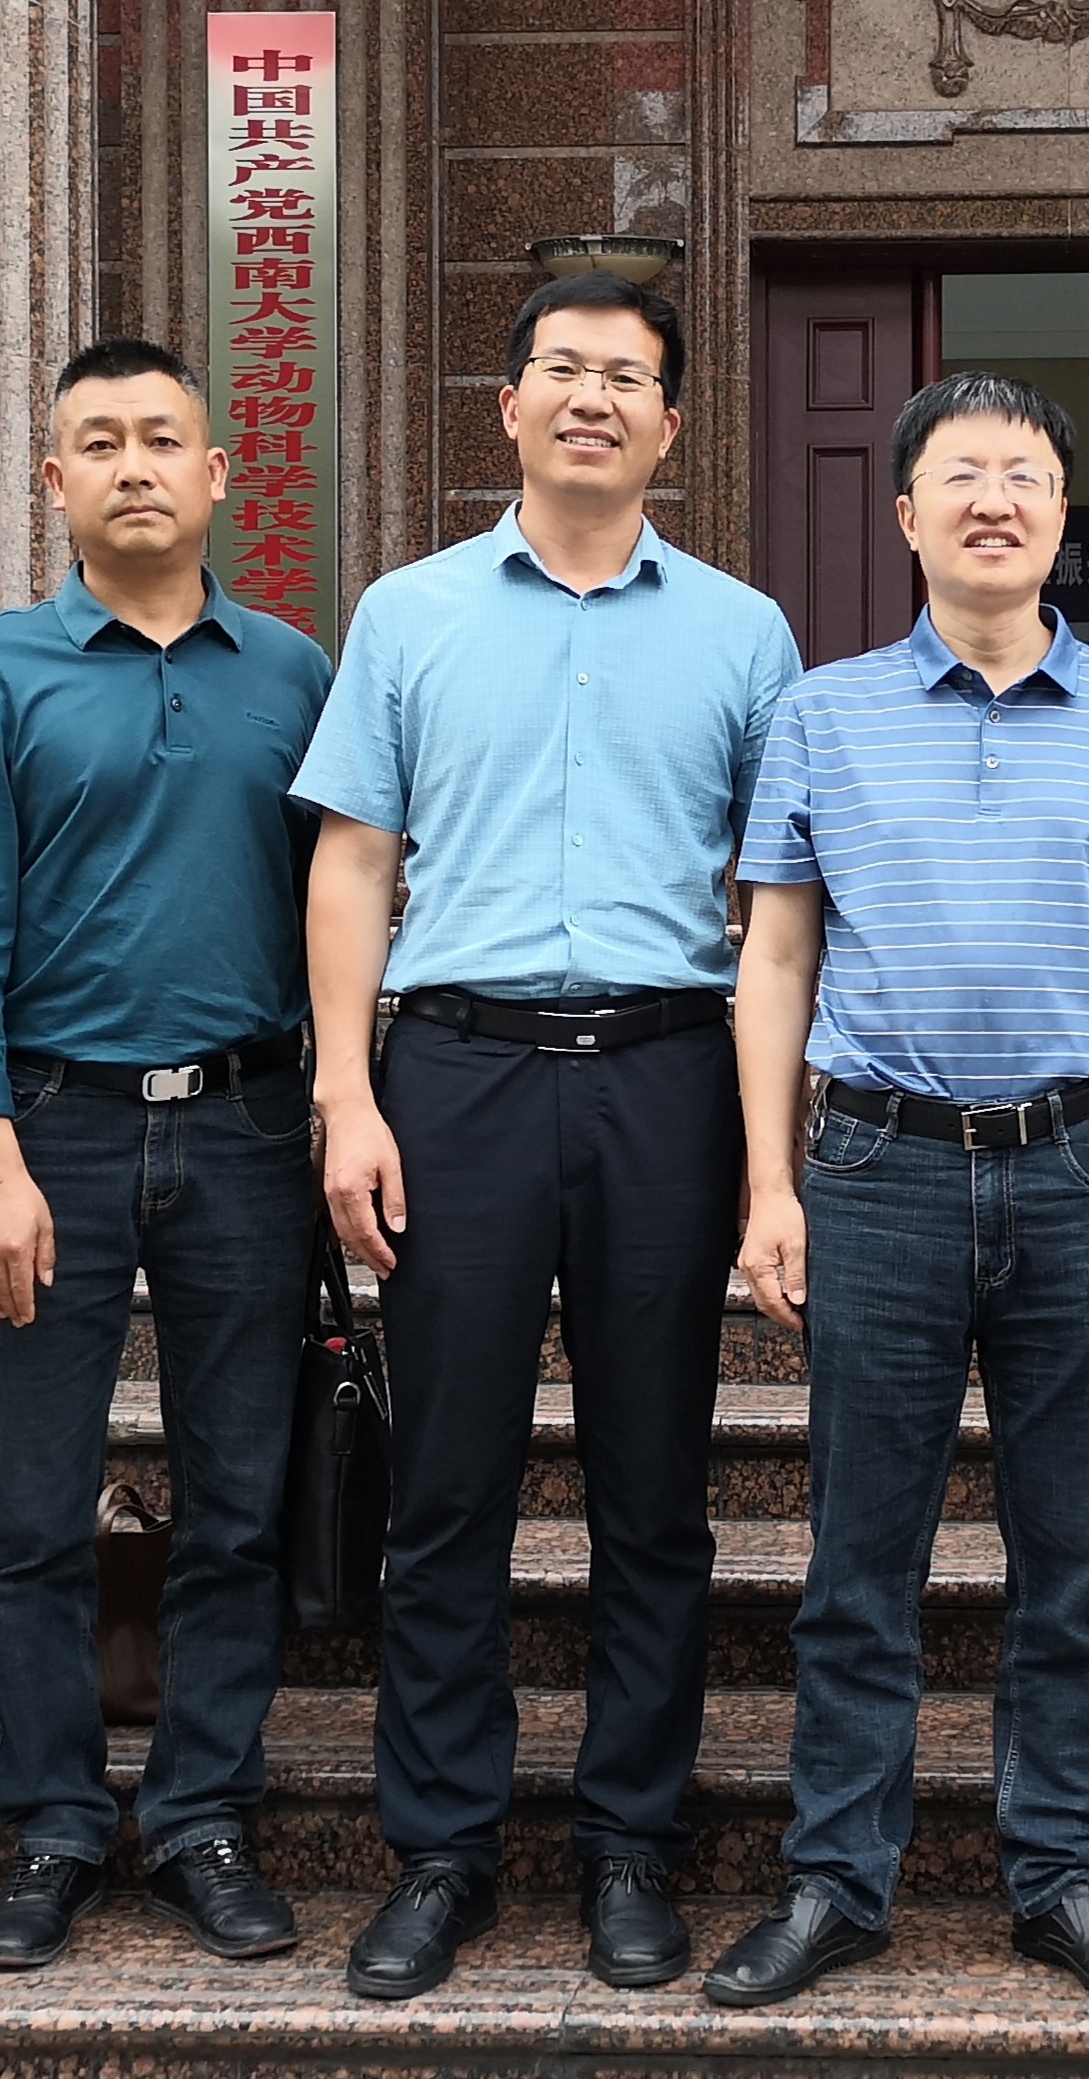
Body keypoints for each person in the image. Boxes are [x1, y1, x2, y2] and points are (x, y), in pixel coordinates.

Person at [708, 372, 1089, 2012]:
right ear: (907, 515)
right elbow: (775, 956)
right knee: (859, 1558)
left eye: (1024, 475)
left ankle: (1063, 1877)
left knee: (1074, 1557)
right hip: (878, 1169)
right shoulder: (823, 712)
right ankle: (836, 1880)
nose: (993, 500)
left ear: (1063, 515)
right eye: (961, 474)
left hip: (1081, 1165)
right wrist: (769, 1184)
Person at [298, 274, 800, 2000]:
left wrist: (770, 1155)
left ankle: (632, 1846)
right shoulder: (409, 615)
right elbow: (354, 862)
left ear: (672, 426)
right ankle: (442, 1851)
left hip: (666, 1078)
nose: (593, 399)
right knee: (449, 1488)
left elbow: (779, 906)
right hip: (457, 1076)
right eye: (562, 370)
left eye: (628, 378)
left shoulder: (744, 634)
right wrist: (347, 1093)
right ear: (507, 404)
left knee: (655, 1492)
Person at [0, 338, 336, 1973]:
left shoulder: (292, 670)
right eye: (101, 441)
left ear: (218, 475)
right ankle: (55, 1824)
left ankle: (205, 1813)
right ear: (56, 480)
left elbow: (341, 903)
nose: (135, 465)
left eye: (164, 438)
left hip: (248, 1129)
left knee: (240, 1502)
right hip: (54, 1131)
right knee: (33, 1506)